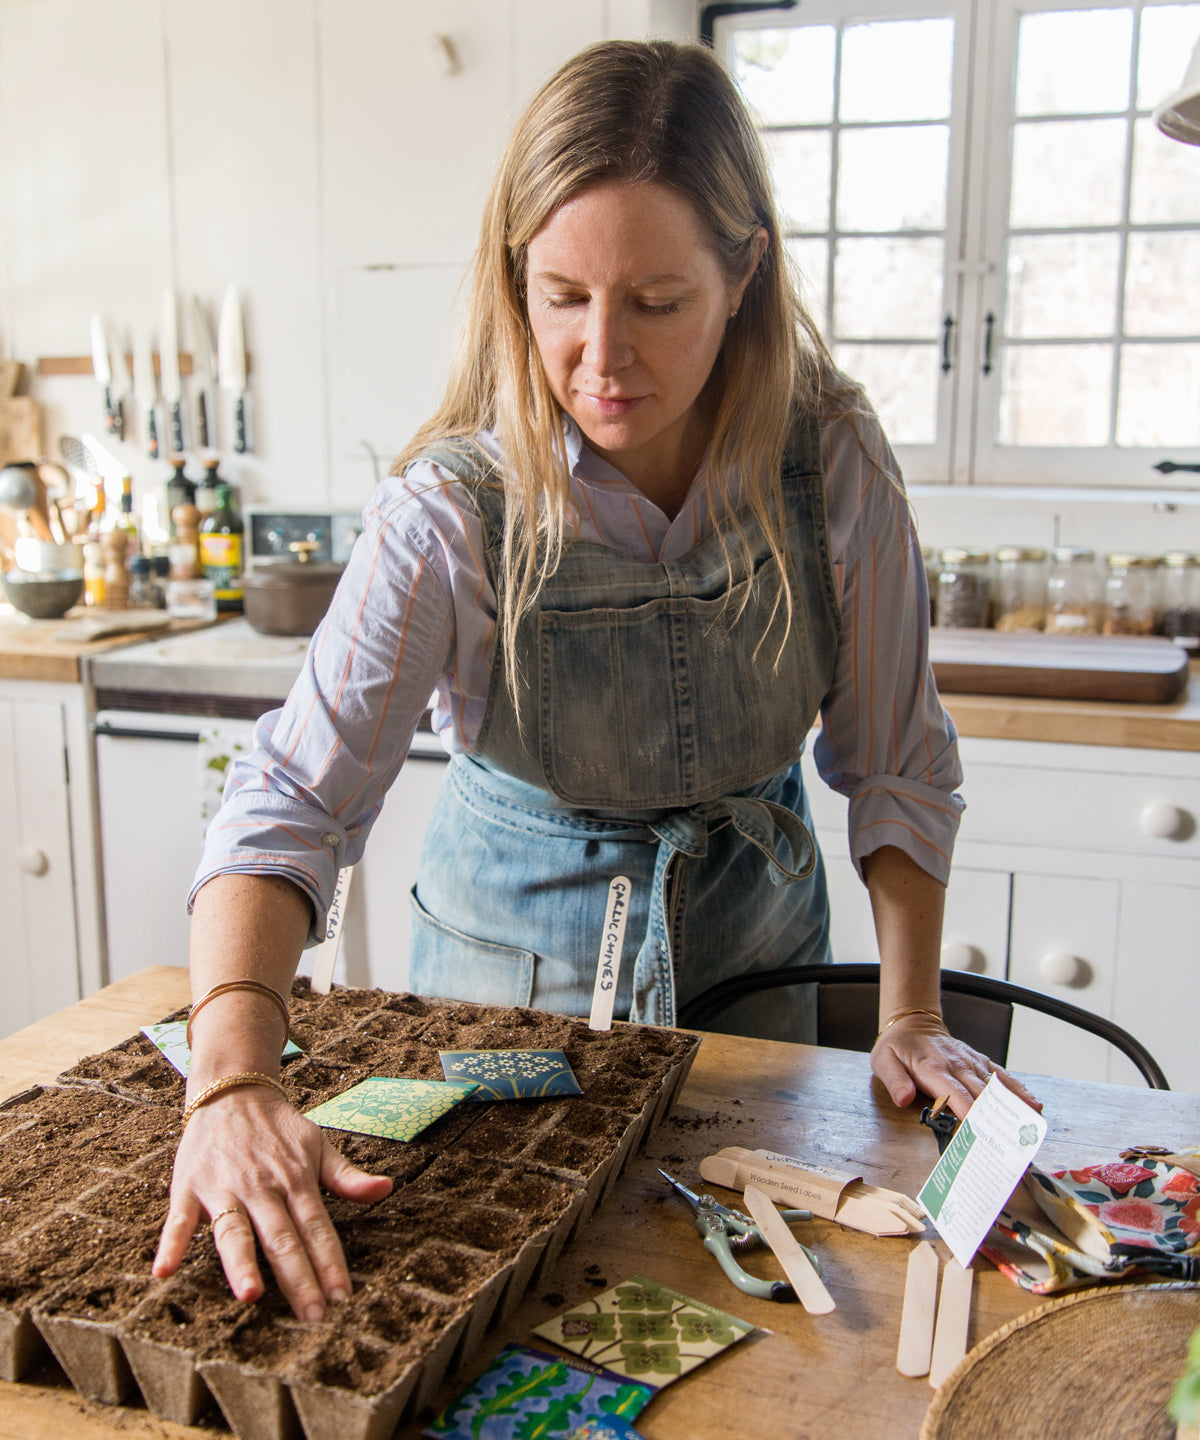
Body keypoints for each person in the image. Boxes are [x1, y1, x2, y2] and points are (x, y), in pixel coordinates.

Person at [154, 38, 1039, 1323]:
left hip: (760, 1000)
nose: (601, 356)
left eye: (657, 300)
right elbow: (287, 796)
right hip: (505, 1010)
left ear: (745, 273)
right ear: (514, 279)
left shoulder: (829, 463)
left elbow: (898, 759)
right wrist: (231, 1084)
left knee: (761, 1327)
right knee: (520, 1321)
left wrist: (908, 1012)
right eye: (561, 295)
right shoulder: (451, 512)